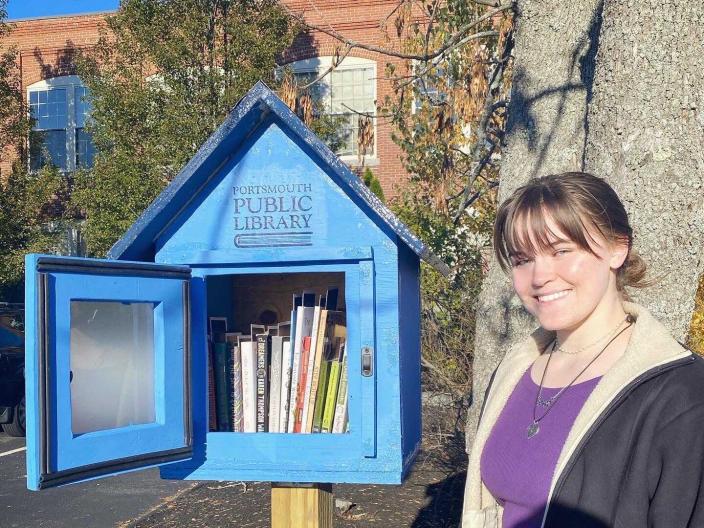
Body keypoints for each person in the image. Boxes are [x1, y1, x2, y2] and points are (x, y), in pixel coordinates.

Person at [461, 172, 704, 527]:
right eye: (522, 259)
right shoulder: (514, 371)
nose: (539, 276)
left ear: (617, 248)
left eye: (561, 251)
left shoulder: (682, 395)